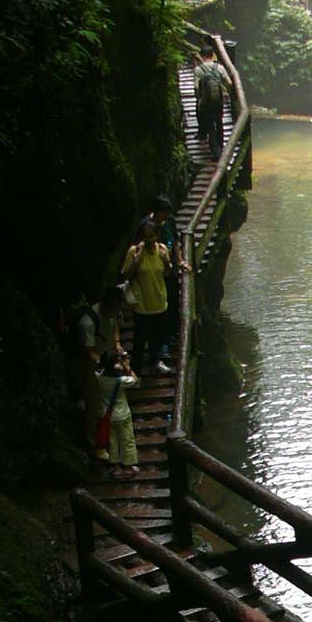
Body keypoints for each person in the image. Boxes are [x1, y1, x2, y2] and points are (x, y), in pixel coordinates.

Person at [121, 220, 172, 375]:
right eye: (146, 237)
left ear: (157, 236)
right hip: (142, 303)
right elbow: (126, 275)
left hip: (159, 300)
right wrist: (136, 262)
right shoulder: (134, 251)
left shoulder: (162, 250)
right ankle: (136, 368)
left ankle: (155, 362)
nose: (150, 240)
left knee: (157, 336)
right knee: (140, 340)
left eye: (153, 236)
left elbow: (167, 274)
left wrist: (168, 262)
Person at [93, 350, 140, 478]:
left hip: (108, 415)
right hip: (122, 414)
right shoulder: (122, 380)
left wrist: (113, 362)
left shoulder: (99, 377)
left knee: (112, 442)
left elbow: (99, 366)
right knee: (127, 440)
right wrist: (127, 366)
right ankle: (129, 467)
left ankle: (116, 467)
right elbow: (136, 381)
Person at [148, 194, 184, 359]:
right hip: (156, 275)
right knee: (161, 309)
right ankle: (161, 346)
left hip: (171, 271)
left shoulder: (170, 221)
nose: (166, 216)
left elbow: (176, 241)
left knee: (173, 303)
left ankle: (172, 336)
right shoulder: (148, 226)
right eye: (164, 213)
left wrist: (180, 260)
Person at [195, 43, 231, 158]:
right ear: (212, 55)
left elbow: (196, 87)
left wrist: (199, 101)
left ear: (203, 56)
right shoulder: (219, 67)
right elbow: (229, 82)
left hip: (206, 102)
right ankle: (221, 146)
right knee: (219, 121)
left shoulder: (198, 69)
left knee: (210, 124)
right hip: (219, 100)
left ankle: (216, 152)